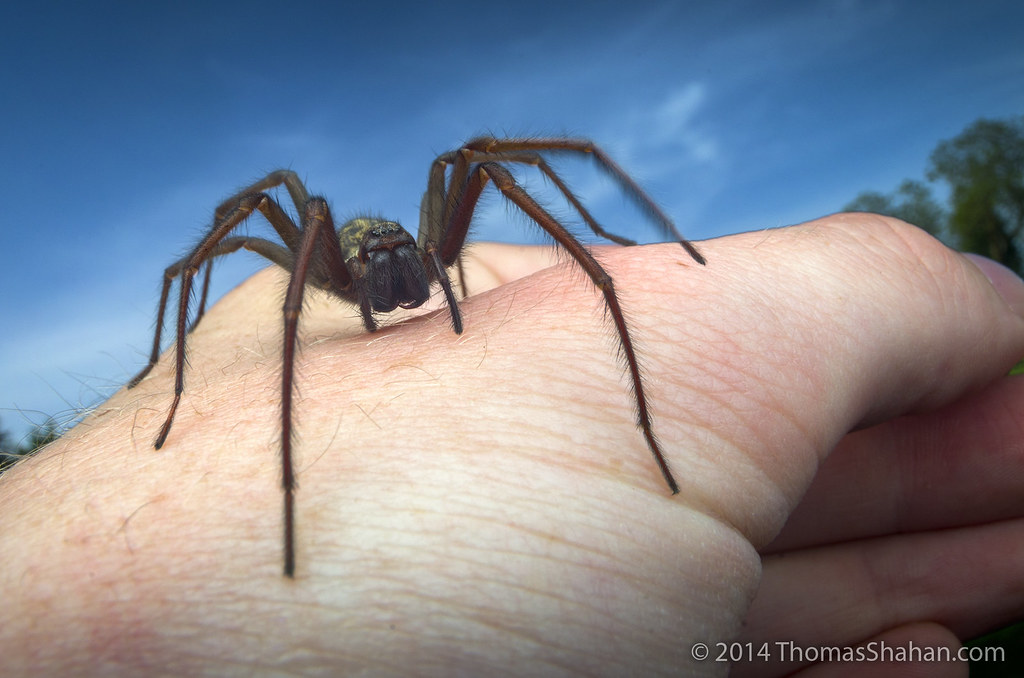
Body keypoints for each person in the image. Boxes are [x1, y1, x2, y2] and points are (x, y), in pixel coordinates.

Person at [1, 213, 1022, 678]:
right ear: (358, 266)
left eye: (408, 255)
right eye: (385, 259)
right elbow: (218, 249)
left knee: (487, 150)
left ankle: (610, 239)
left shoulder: (430, 241)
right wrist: (167, 388)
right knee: (263, 200)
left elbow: (498, 170)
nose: (401, 272)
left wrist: (612, 252)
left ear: (421, 247)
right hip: (312, 292)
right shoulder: (329, 272)